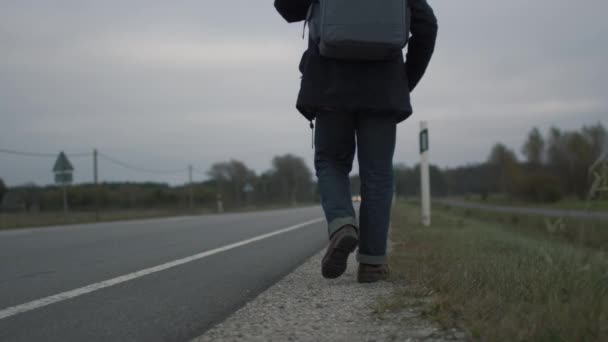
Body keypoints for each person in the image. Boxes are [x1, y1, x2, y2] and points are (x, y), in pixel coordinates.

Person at [274, 0, 438, 283]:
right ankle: (373, 263)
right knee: (377, 173)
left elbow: (287, 7)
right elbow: (427, 25)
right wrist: (403, 81)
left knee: (331, 162)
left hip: (329, 86)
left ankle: (341, 224)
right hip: (383, 88)